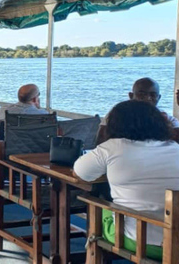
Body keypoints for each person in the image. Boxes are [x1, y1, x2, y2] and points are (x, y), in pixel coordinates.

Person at [74, 100, 179, 260]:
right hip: (176, 239)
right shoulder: (175, 148)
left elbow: (80, 174)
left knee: (96, 204)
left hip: (141, 240)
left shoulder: (112, 147)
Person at [97, 77, 179, 144]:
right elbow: (101, 142)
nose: (147, 98)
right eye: (141, 94)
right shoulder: (117, 116)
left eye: (153, 95)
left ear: (159, 97)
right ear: (131, 96)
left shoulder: (168, 119)